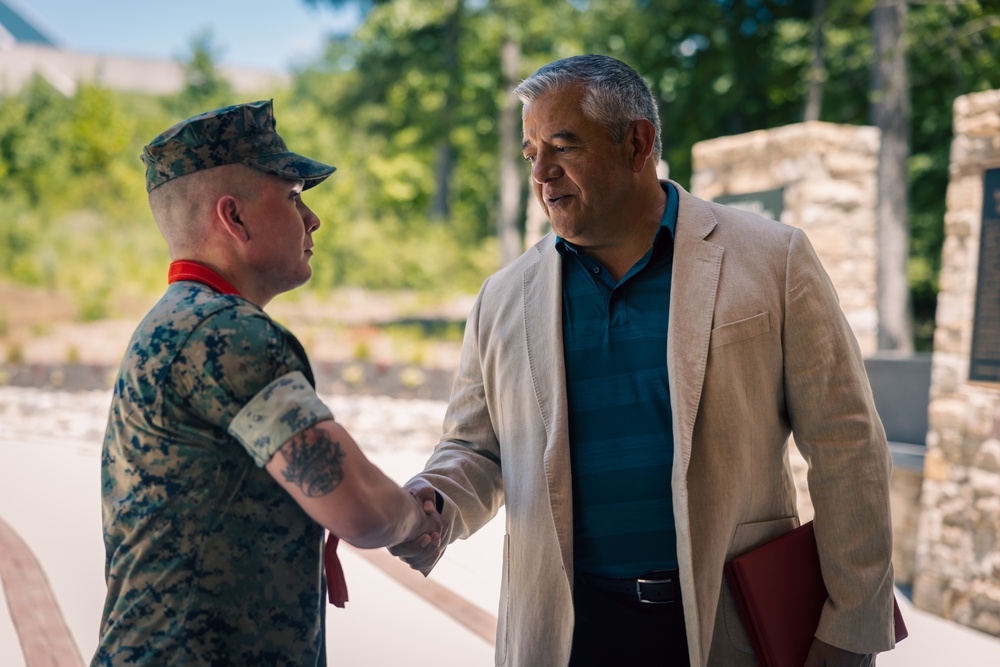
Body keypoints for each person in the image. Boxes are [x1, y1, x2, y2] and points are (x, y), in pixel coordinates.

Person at [391, 55, 898, 666]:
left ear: (637, 143)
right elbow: (475, 449)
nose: (543, 173)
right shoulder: (502, 297)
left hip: (729, 624)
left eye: (563, 145)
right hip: (565, 633)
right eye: (531, 153)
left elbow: (847, 445)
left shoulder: (773, 260)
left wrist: (852, 628)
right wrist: (435, 502)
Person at [93, 99, 440, 666]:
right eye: (294, 197)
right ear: (235, 218)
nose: (313, 219)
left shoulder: (177, 320)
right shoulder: (227, 333)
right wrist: (412, 518)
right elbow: (357, 508)